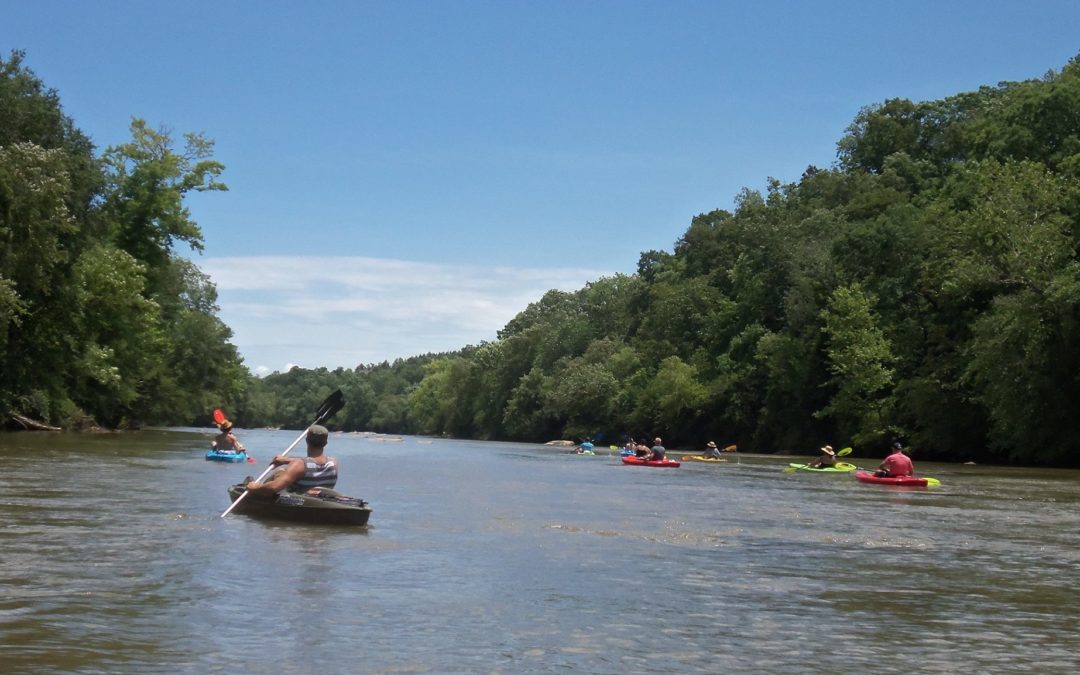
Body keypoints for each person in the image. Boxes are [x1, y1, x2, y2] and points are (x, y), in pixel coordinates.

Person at [245, 425, 338, 495]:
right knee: (281, 472)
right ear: (325, 443)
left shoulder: (299, 464)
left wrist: (255, 488)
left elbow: (273, 488)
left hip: (300, 500)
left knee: (279, 472)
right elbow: (314, 463)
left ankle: (258, 489)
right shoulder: (333, 462)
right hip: (321, 497)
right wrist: (286, 460)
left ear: (307, 440)